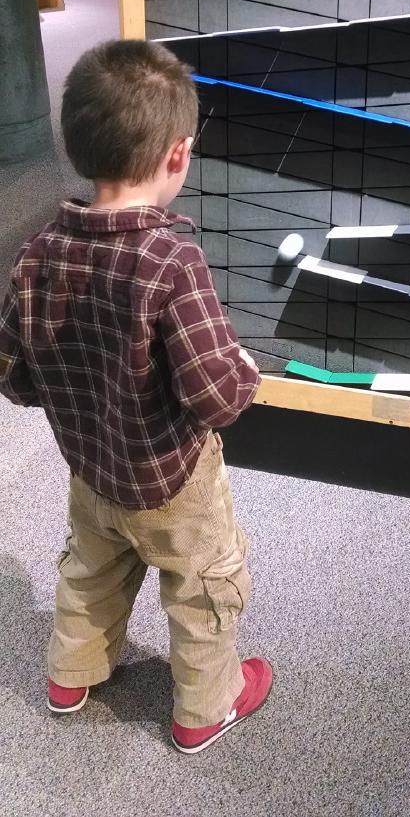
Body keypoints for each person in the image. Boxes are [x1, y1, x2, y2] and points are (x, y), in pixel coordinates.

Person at [0, 39, 271, 755]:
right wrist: (245, 366)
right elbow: (216, 398)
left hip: (91, 471)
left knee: (90, 568)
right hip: (175, 480)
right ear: (178, 154)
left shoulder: (34, 252)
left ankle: (70, 673)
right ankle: (202, 709)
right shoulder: (172, 260)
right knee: (203, 586)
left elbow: (14, 376)